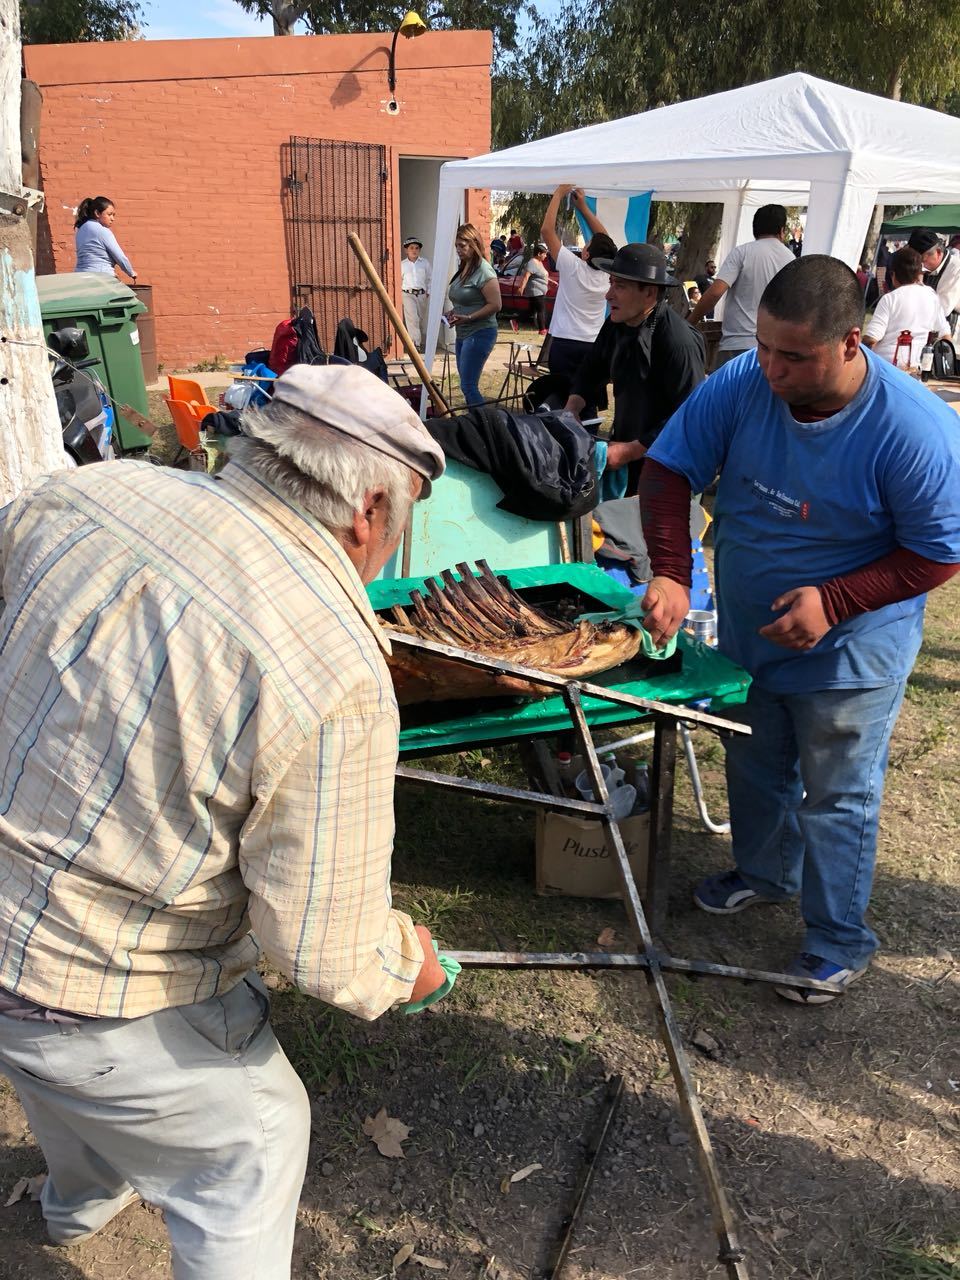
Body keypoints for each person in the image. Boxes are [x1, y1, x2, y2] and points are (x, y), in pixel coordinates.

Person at [0, 364, 449, 1277]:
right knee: (253, 1146)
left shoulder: (85, 492)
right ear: (370, 510)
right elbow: (321, 947)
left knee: (63, 1063)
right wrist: (408, 964)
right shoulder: (336, 662)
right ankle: (91, 1187)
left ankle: (78, 1202)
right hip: (88, 990)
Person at [638, 255, 960, 1003]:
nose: (774, 371)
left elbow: (939, 553)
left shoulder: (914, 432)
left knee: (836, 791)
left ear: (852, 343)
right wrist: (671, 572)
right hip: (753, 626)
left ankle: (838, 939)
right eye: (766, 350)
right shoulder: (745, 383)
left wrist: (838, 601)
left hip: (851, 652)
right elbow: (667, 469)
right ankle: (762, 873)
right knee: (754, 759)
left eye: (795, 357)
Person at [563, 243, 705, 494]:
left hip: (668, 465)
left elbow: (690, 414)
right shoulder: (617, 322)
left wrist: (632, 449)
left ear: (649, 293)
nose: (608, 295)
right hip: (626, 446)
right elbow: (592, 367)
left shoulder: (677, 341)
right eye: (610, 283)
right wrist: (572, 407)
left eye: (620, 286)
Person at [687, 204, 795, 365]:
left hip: (736, 344)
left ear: (755, 229)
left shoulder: (742, 252)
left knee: (727, 390)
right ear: (781, 230)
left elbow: (715, 293)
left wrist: (689, 324)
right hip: (773, 349)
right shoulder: (791, 259)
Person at [539, 184, 617, 387]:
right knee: (588, 397)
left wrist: (558, 194)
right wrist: (583, 208)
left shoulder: (572, 266)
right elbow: (605, 240)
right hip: (593, 343)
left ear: (587, 254)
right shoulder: (609, 274)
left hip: (565, 342)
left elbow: (547, 231)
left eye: (587, 245)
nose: (585, 245)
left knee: (562, 397)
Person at [862, 246, 950, 366]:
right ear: (919, 273)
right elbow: (945, 335)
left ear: (893, 275)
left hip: (886, 366)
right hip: (917, 368)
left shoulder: (890, 298)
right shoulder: (932, 296)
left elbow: (871, 339)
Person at [446, 222, 502, 407]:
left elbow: (496, 304)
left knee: (469, 386)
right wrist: (455, 312)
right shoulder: (464, 268)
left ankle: (483, 426)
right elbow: (466, 300)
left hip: (480, 333)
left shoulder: (484, 270)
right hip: (463, 333)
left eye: (462, 246)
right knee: (466, 386)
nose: (458, 250)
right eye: (456, 246)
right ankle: (477, 423)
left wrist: (469, 317)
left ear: (474, 244)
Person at [74, 195, 137, 281]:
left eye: (113, 215)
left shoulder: (81, 230)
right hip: (101, 278)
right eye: (109, 214)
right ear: (97, 213)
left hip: (80, 276)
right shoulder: (102, 230)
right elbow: (119, 257)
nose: (112, 219)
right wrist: (131, 272)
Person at [907, 228, 960, 330]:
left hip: (948, 325)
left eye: (923, 260)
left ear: (938, 252)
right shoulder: (922, 267)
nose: (919, 265)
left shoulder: (956, 269)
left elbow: (943, 309)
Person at [400, 235, 432, 351]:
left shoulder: (425, 263)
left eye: (417, 248)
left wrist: (428, 291)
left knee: (420, 320)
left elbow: (430, 278)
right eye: (411, 248)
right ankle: (415, 345)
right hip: (408, 294)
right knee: (412, 319)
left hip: (422, 295)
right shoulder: (402, 265)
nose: (414, 250)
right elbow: (399, 280)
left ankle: (418, 341)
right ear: (406, 250)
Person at [517, 242, 551, 334]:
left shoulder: (539, 263)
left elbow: (542, 275)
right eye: (544, 254)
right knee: (541, 309)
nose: (546, 256)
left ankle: (515, 322)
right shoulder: (532, 263)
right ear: (539, 254)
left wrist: (551, 281)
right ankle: (542, 329)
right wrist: (521, 288)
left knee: (531, 310)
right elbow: (526, 277)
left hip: (541, 290)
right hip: (536, 290)